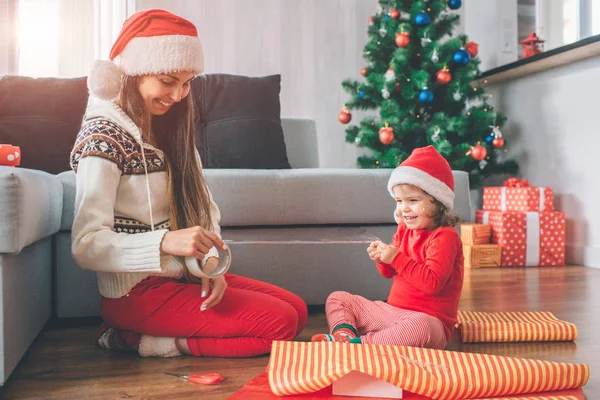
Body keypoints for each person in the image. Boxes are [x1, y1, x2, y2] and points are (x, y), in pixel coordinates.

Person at [70, 9, 307, 358]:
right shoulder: (102, 139)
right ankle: (145, 342)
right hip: (133, 293)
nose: (179, 95)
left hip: (178, 278)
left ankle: (135, 335)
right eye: (168, 81)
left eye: (187, 82)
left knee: (297, 309)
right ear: (131, 73)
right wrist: (165, 242)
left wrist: (208, 266)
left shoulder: (170, 129)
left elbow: (200, 208)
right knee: (280, 324)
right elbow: (86, 245)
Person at [311, 146, 463, 349]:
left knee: (420, 327)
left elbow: (432, 283)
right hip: (391, 313)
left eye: (413, 200)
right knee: (338, 298)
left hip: (427, 321)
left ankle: (359, 345)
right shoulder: (404, 229)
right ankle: (344, 336)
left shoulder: (445, 236)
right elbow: (389, 272)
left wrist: (395, 257)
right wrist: (381, 259)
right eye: (399, 201)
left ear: (438, 202)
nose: (403, 208)